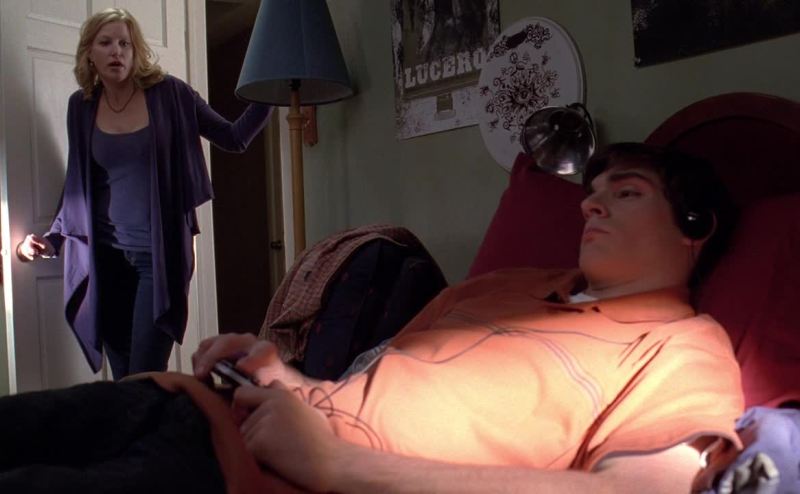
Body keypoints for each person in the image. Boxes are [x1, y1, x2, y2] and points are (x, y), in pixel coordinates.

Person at [191, 143, 745, 493]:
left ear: (694, 224)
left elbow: (637, 490)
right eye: (593, 193)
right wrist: (284, 380)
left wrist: (335, 465)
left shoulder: (681, 344)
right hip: (247, 433)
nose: (588, 205)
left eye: (626, 193)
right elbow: (367, 384)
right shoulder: (503, 286)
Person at [15, 8, 271, 380]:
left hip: (157, 257)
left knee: (146, 375)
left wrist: (272, 92)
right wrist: (53, 240)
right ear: (90, 53)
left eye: (125, 43)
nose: (116, 51)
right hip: (105, 257)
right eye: (106, 43)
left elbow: (234, 137)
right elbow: (78, 183)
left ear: (136, 52)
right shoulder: (81, 106)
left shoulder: (172, 95)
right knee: (124, 378)